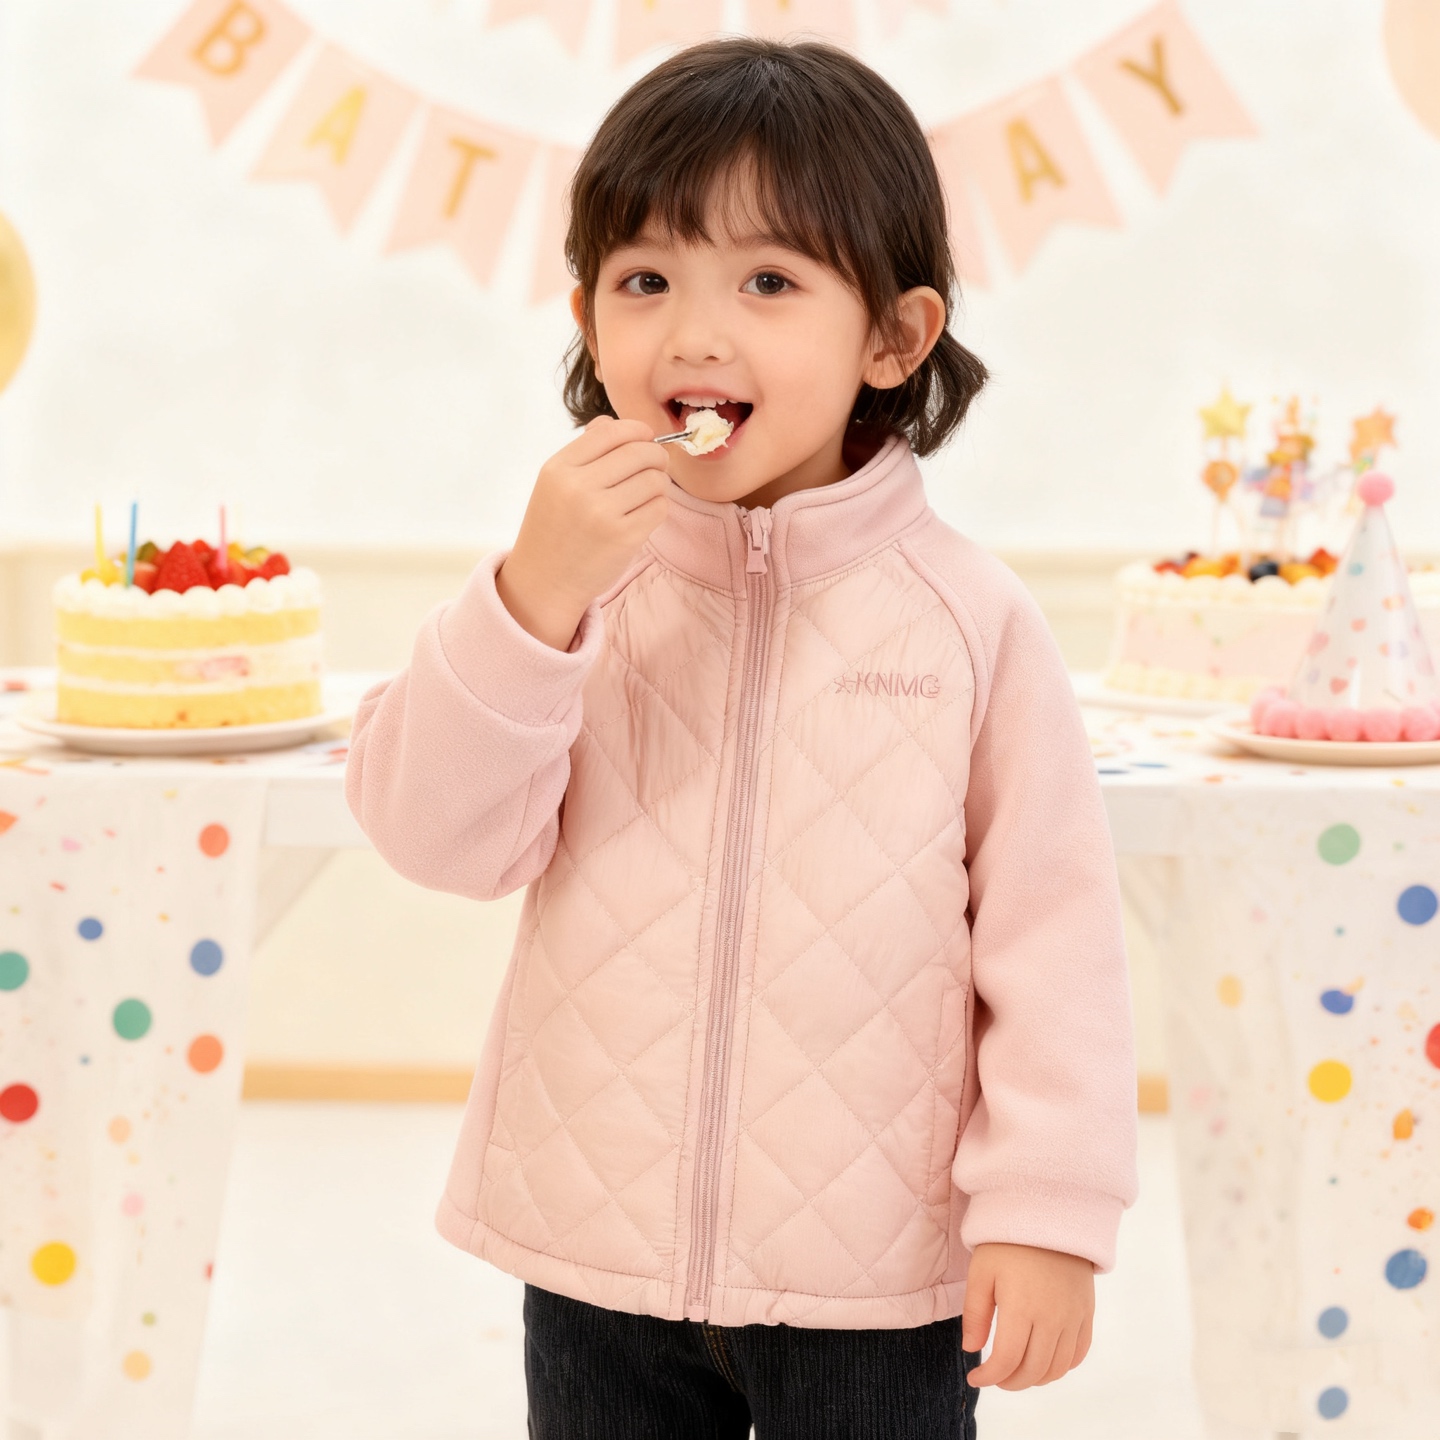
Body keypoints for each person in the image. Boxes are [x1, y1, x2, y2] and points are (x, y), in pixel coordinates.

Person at [345, 36, 1138, 1440]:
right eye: (647, 281)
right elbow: (436, 838)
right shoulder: (570, 589)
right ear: (588, 317)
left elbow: (1054, 935)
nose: (696, 336)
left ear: (893, 338)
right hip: (592, 1254)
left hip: (879, 1286)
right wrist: (531, 597)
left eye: (768, 282)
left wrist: (1050, 1212)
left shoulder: (968, 621)